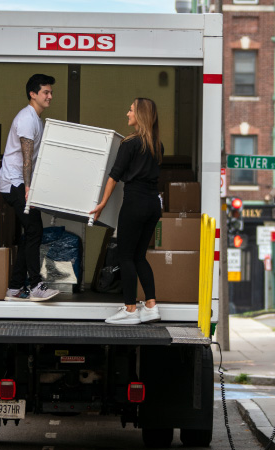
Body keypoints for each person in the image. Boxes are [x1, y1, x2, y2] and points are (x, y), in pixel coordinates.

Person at [90, 98, 163, 325]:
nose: (127, 113)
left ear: (140, 115)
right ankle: (151, 305)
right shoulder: (157, 145)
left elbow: (114, 175)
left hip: (135, 204)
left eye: (131, 110)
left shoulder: (130, 144)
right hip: (153, 205)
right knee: (139, 256)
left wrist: (102, 203)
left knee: (125, 255)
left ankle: (130, 309)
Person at [0, 74, 60, 302]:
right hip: (15, 183)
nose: (50, 96)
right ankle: (35, 286)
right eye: (46, 92)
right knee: (34, 230)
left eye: (51, 92)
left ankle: (15, 288)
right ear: (33, 94)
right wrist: (28, 188)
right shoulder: (26, 119)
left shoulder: (37, 119)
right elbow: (27, 159)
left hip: (20, 183)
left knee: (32, 233)